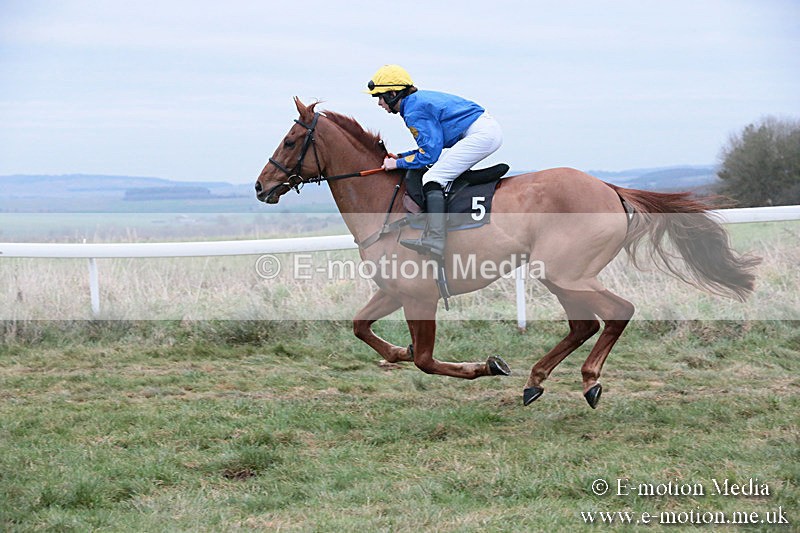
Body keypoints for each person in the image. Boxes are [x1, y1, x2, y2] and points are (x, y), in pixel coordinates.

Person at [365, 64, 503, 258]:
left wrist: (397, 164)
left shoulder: (413, 111)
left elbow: (430, 155)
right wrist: (402, 157)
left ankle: (436, 239)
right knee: (440, 171)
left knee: (432, 177)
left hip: (480, 134)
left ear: (393, 94)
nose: (379, 103)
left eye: (380, 97)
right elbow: (431, 147)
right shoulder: (414, 103)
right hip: (480, 130)